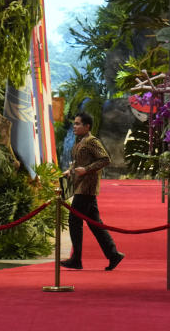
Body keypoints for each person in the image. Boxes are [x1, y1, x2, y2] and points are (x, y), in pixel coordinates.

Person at [60, 111, 125, 271]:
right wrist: (71, 170)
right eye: (74, 123)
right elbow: (78, 161)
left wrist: (87, 170)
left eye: (77, 124)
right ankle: (113, 254)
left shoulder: (92, 141)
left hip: (87, 187)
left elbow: (105, 159)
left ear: (87, 126)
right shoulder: (80, 140)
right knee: (95, 224)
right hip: (80, 185)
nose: (74, 126)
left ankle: (76, 259)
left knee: (75, 221)